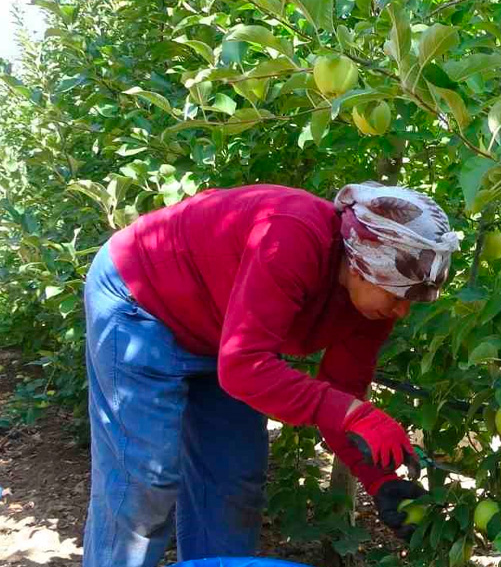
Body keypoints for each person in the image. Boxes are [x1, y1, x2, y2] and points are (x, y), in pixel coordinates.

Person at [82, 181, 461, 567]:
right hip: (142, 300)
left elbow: (338, 395)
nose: (402, 312)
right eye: (398, 296)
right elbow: (245, 368)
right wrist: (355, 414)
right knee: (145, 482)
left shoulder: (374, 308)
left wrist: (380, 480)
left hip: (223, 333)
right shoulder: (292, 237)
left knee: (233, 481)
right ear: (364, 265)